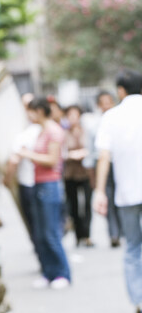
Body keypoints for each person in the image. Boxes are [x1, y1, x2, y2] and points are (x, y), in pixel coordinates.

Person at [93, 70, 142, 313]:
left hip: (127, 194)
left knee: (133, 247)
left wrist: (100, 191)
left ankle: (139, 301)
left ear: (121, 90)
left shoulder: (111, 117)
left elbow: (104, 157)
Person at [17, 97, 71, 289]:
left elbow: (52, 160)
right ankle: (48, 272)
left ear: (39, 110)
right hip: (39, 184)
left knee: (50, 233)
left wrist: (28, 154)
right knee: (40, 233)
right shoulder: (42, 131)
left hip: (50, 185)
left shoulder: (54, 131)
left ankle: (62, 273)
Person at [6, 95, 41, 254]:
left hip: (36, 184)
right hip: (34, 183)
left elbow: (14, 160)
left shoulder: (34, 132)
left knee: (39, 226)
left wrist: (7, 179)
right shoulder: (27, 132)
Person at [63, 104, 93, 247]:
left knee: (87, 204)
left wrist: (84, 153)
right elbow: (60, 153)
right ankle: (78, 235)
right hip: (70, 174)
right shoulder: (63, 133)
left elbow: (92, 149)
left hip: (86, 172)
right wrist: (71, 155)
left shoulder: (86, 131)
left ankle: (87, 235)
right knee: (73, 206)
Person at [96, 90, 121, 246]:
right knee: (109, 201)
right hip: (106, 167)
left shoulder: (119, 120)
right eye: (103, 102)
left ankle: (121, 231)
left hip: (120, 165)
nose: (107, 105)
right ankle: (114, 233)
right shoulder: (97, 124)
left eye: (109, 101)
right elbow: (101, 155)